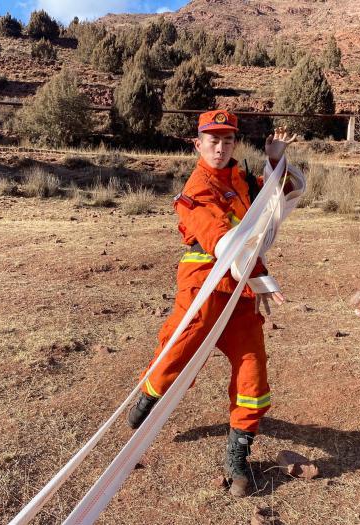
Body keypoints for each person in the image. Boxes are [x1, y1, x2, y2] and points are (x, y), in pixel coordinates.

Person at [127, 110, 298, 498]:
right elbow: (223, 240)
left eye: (227, 140)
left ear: (235, 143)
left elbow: (280, 197)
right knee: (177, 352)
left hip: (241, 292)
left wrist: (275, 159)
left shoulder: (242, 180)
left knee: (253, 371)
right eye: (213, 141)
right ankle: (150, 395)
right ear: (198, 144)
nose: (220, 148)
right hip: (203, 285)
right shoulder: (195, 190)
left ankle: (238, 453)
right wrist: (261, 276)